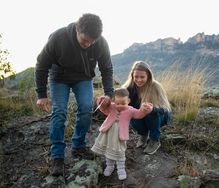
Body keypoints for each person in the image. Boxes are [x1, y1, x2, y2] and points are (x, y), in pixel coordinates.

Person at [35, 13, 113, 176]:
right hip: (59, 79)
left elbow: (106, 68)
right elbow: (41, 65)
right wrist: (41, 94)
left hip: (83, 78)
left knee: (85, 107)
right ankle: (57, 156)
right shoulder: (59, 37)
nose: (88, 44)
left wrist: (109, 93)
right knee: (59, 112)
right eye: (85, 40)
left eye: (92, 41)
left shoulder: (100, 43)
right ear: (77, 28)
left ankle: (78, 146)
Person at [91, 88, 153, 180]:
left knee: (120, 151)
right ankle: (110, 166)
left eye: (123, 103)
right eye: (117, 103)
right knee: (108, 151)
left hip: (120, 136)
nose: (120, 106)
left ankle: (121, 169)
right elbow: (103, 108)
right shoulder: (111, 107)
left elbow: (139, 114)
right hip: (107, 133)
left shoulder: (130, 110)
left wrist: (144, 110)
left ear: (128, 101)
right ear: (113, 101)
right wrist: (102, 101)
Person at [122, 61, 172, 155]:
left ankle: (154, 140)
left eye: (142, 77)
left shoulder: (156, 87)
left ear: (148, 76)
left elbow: (165, 109)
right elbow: (119, 103)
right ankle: (143, 135)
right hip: (140, 116)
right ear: (132, 76)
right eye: (136, 76)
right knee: (132, 113)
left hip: (158, 117)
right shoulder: (128, 88)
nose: (139, 80)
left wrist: (153, 109)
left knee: (150, 113)